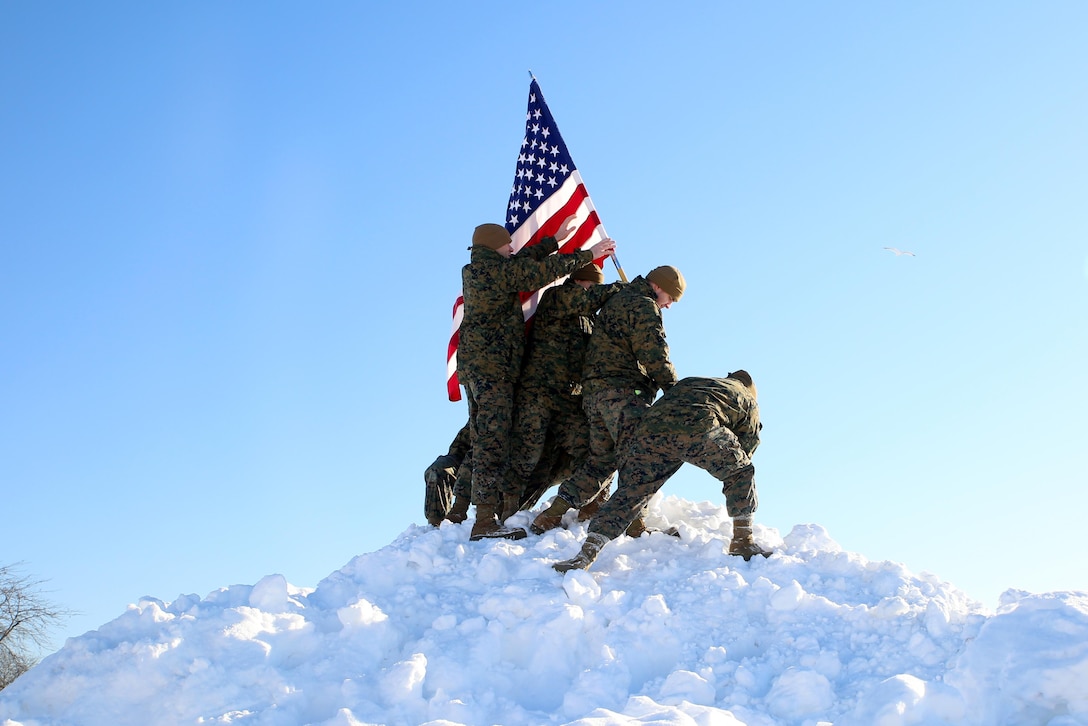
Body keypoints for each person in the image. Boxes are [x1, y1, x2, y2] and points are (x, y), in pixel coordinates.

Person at [458, 219, 617, 540]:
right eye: (506, 243)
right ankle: (483, 521)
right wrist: (588, 254)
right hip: (493, 371)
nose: (512, 246)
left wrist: (554, 240)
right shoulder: (490, 272)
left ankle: (475, 515)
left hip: (483, 369)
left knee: (485, 438)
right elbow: (534, 273)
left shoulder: (485, 269)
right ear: (493, 246)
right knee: (492, 442)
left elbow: (522, 263)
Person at [553, 370, 772, 572]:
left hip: (649, 429)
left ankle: (584, 555)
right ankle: (743, 541)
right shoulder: (746, 398)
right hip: (697, 425)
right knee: (741, 472)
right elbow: (748, 445)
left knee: (632, 492)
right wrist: (724, 464)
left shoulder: (697, 382)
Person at [531, 265, 684, 535]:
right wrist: (675, 391)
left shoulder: (616, 301)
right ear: (658, 287)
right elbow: (654, 354)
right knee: (638, 457)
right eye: (671, 298)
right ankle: (635, 525)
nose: (669, 306)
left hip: (594, 395)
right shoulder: (643, 306)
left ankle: (552, 515)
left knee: (601, 460)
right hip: (624, 394)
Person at [502, 262, 623, 520]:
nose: (595, 290)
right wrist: (625, 288)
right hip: (538, 393)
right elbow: (587, 300)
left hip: (570, 398)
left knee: (593, 448)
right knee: (526, 454)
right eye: (593, 284)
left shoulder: (590, 317)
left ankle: (590, 507)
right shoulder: (558, 296)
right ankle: (506, 513)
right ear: (581, 282)